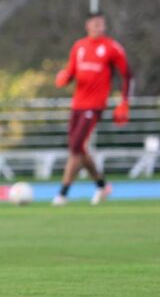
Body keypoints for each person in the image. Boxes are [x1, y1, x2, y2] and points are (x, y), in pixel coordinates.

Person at [52, 12, 132, 206]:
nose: (99, 27)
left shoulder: (112, 47)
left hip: (95, 105)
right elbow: (71, 72)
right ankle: (102, 185)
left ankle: (63, 193)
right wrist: (64, 77)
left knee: (76, 147)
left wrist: (124, 102)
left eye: (102, 24)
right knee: (79, 148)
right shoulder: (79, 46)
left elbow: (128, 75)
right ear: (88, 26)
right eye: (95, 24)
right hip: (77, 104)